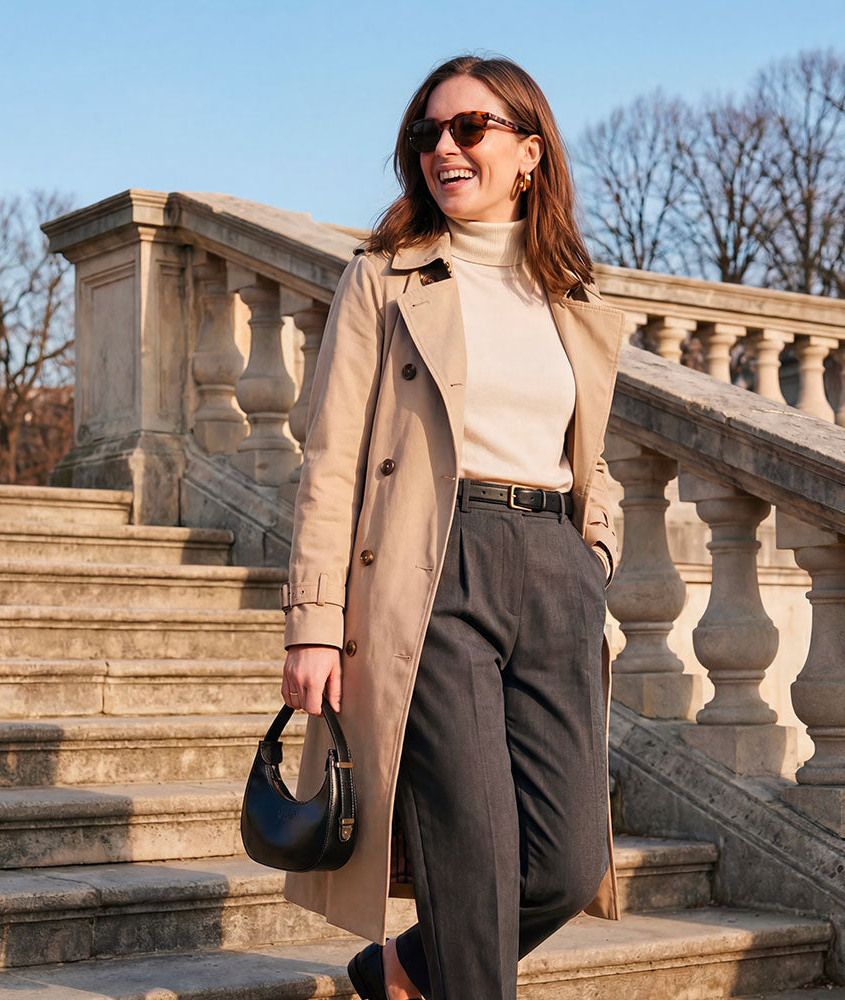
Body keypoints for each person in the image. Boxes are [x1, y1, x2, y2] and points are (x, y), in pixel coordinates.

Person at [280, 54, 625, 1000]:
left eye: (469, 128)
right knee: (469, 858)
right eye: (427, 134)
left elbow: (593, 451)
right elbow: (331, 461)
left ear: (529, 151)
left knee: (562, 861)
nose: (444, 148)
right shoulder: (385, 280)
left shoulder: (575, 296)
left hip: (555, 568)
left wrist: (593, 551)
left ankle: (402, 974)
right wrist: (314, 621)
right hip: (435, 570)